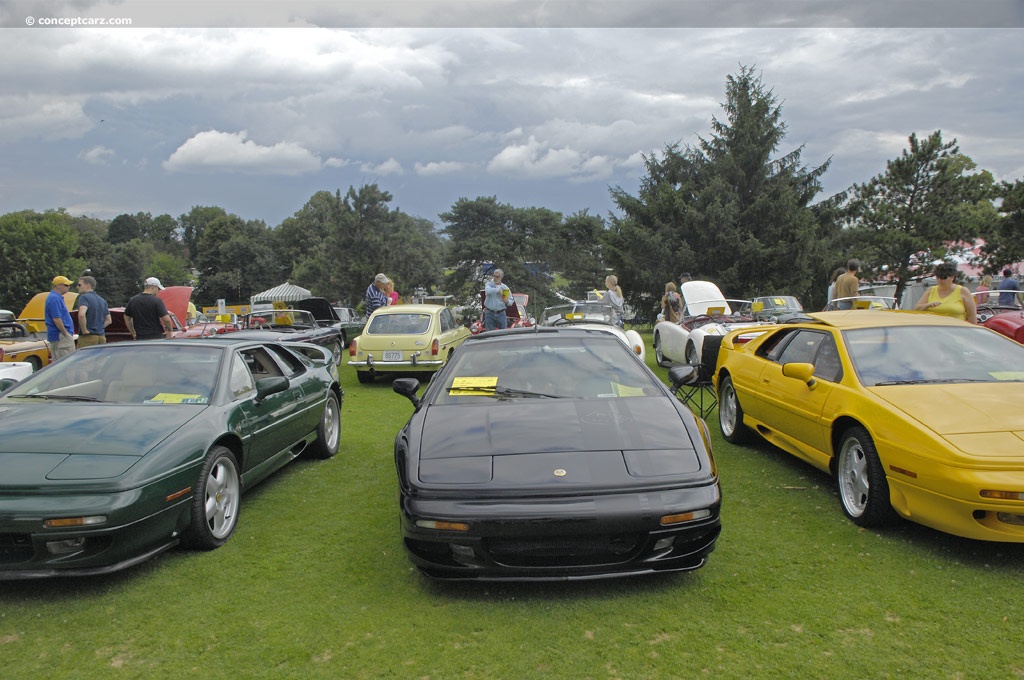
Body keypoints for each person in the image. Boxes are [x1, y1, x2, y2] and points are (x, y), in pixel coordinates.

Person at [44, 274, 77, 361]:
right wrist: (65, 333)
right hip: (61, 336)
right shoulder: (55, 299)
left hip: (58, 335)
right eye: (66, 285)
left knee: (58, 363)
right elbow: (56, 318)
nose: (68, 287)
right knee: (66, 363)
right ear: (58, 286)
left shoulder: (55, 297)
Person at [75, 274, 111, 347]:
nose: (77, 287)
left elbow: (81, 314)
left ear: (87, 285)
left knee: (85, 358)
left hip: (88, 337)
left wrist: (84, 330)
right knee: (100, 358)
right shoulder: (102, 300)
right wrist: (99, 328)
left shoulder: (84, 297)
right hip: (101, 337)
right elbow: (109, 320)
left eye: (79, 285)